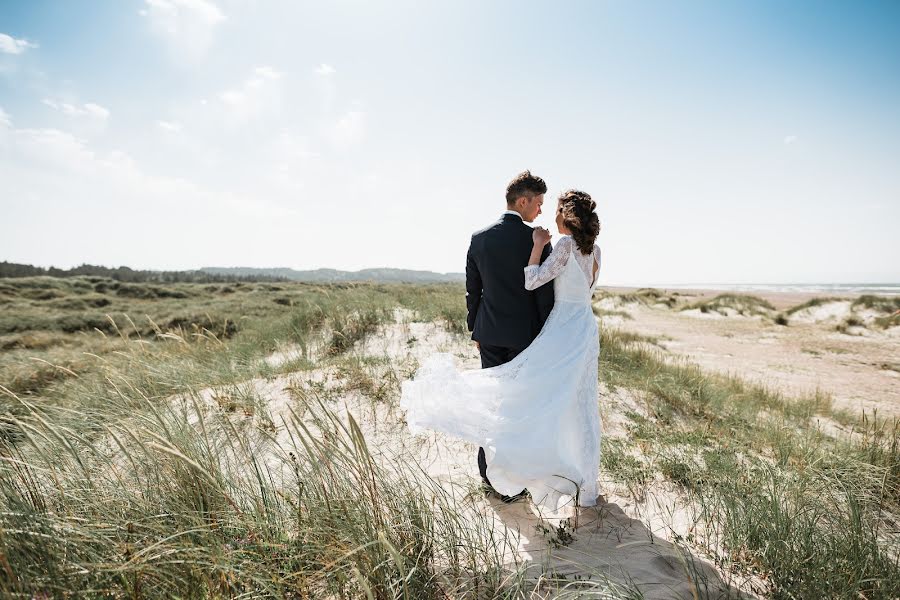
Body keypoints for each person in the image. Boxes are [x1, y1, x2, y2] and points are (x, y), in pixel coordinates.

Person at [400, 184, 603, 511]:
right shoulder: (587, 250)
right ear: (523, 201)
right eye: (538, 203)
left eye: (548, 206)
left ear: (567, 216)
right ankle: (557, 478)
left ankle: (493, 475)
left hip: (496, 333)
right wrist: (539, 333)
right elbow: (544, 297)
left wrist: (475, 327)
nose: (542, 210)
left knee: (496, 398)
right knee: (568, 402)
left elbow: (475, 289)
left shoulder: (484, 238)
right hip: (568, 331)